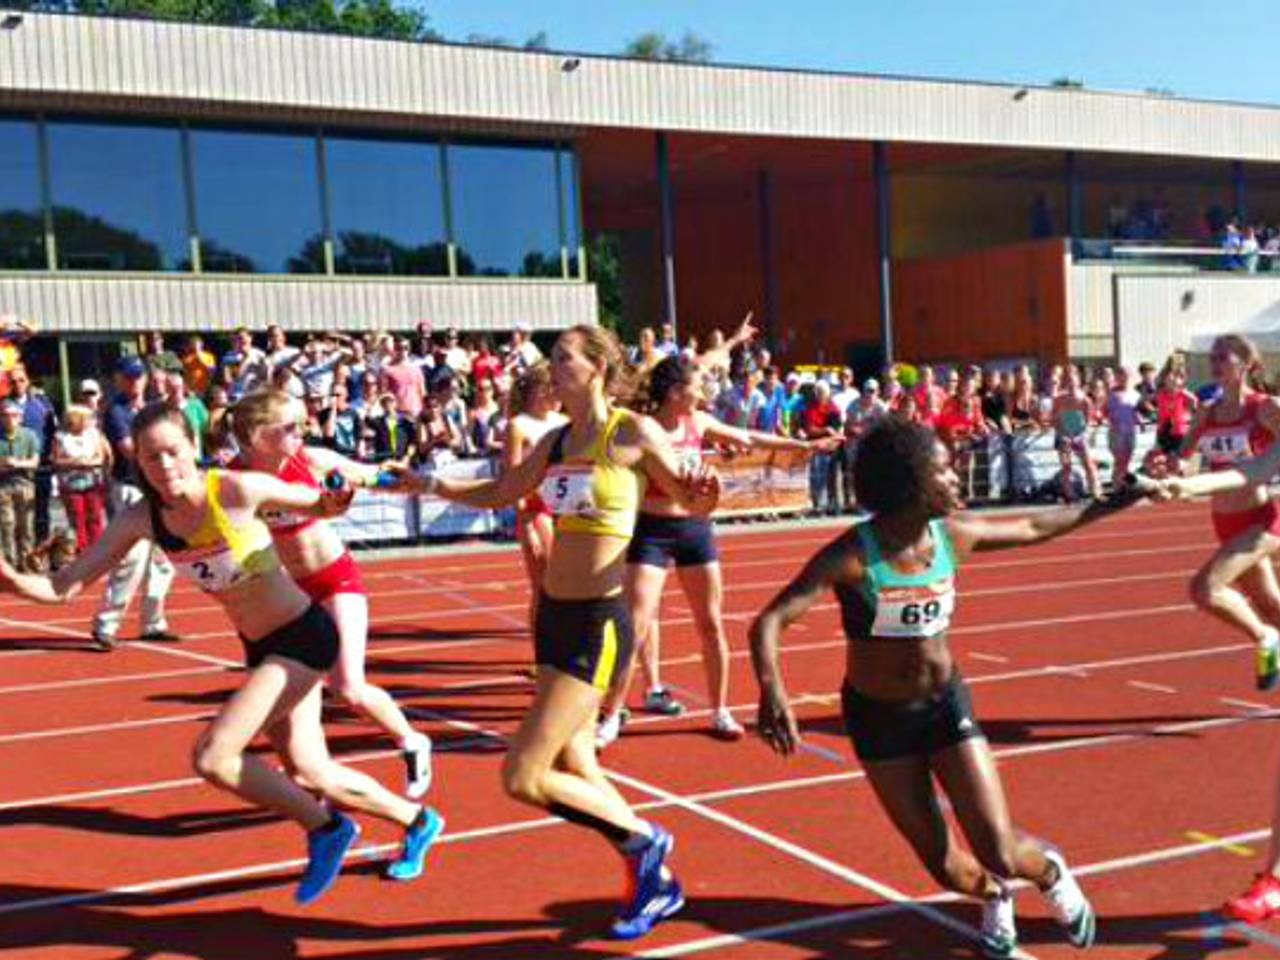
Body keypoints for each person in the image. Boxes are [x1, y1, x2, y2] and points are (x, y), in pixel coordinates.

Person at [0, 403, 442, 899]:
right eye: (151, 458)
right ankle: (418, 819)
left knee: (214, 756)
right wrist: (14, 581)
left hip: (304, 637)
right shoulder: (143, 518)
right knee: (309, 769)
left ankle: (327, 829)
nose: (164, 466)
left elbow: (312, 501)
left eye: (172, 452)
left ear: (193, 447)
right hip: (262, 648)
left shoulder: (234, 489)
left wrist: (333, 500)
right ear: (138, 463)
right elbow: (64, 587)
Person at [749, 418, 1144, 958]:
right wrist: (773, 690)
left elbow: (1035, 527)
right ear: (911, 483)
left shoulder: (953, 534)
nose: (957, 477)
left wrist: (1118, 501)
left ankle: (1050, 874)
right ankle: (992, 897)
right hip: (878, 720)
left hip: (943, 706)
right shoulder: (853, 557)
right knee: (948, 868)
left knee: (1000, 848)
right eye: (944, 468)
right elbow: (769, 621)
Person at [400, 325, 718, 940]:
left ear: (597, 367)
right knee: (575, 761)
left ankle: (646, 841)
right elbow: (501, 491)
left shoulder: (630, 432)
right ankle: (654, 879)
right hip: (555, 617)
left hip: (598, 621)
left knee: (522, 774)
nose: (553, 368)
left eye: (564, 358)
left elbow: (687, 499)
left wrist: (707, 493)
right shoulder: (554, 440)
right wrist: (431, 485)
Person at [597, 354, 832, 748]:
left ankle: (720, 709)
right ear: (675, 392)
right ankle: (610, 715)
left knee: (711, 623)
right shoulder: (645, 428)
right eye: (697, 384)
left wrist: (803, 444)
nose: (704, 389)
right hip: (651, 530)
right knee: (634, 626)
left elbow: (749, 438)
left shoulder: (700, 423)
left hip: (694, 529)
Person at [228, 390, 435, 799]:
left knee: (348, 686)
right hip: (290, 592)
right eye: (288, 428)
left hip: (334, 579)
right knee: (297, 689)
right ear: (255, 436)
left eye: (301, 426)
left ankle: (411, 741)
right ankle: (315, 775)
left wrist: (400, 480)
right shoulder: (236, 481)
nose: (299, 434)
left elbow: (368, 474)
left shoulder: (311, 460)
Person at [1150, 334, 1280, 690]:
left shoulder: (1264, 408)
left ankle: (1264, 636)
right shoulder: (1207, 413)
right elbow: (1184, 463)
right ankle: (1270, 628)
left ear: (1246, 364)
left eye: (1224, 356)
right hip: (1223, 520)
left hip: (1261, 520)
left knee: (1205, 590)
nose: (1216, 362)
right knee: (1270, 603)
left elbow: (1261, 464)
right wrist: (1165, 467)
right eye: (1213, 356)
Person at [93, 356, 176, 651]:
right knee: (132, 558)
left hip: (159, 488)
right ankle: (107, 624)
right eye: (128, 377)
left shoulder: (154, 407)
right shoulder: (116, 410)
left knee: (163, 560)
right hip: (131, 488)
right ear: (118, 379)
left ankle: (153, 623)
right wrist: (159, 450)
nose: (134, 381)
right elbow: (129, 450)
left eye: (138, 376)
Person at [503, 363, 567, 628]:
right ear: (540, 390)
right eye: (554, 387)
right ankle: (543, 653)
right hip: (535, 506)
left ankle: (565, 643)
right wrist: (526, 524)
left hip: (567, 506)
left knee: (566, 582)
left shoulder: (563, 422)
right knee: (544, 583)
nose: (559, 393)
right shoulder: (517, 426)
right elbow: (512, 476)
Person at [52, 404, 110, 553]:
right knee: (77, 518)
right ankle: (82, 550)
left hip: (93, 482)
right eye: (87, 418)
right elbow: (57, 460)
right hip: (71, 485)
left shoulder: (93, 435)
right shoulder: (60, 437)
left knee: (95, 516)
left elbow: (100, 457)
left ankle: (98, 549)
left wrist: (87, 463)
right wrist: (77, 462)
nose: (90, 421)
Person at [1051, 366, 1101, 501]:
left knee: (1088, 463)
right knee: (1066, 466)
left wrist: (1079, 435)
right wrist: (1063, 435)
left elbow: (1088, 421)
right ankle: (1069, 494)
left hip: (1079, 435)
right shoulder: (1059, 399)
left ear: (1078, 383)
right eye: (1069, 383)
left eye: (1074, 382)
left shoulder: (1085, 400)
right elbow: (1053, 419)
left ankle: (1096, 491)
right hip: (1063, 435)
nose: (1071, 385)